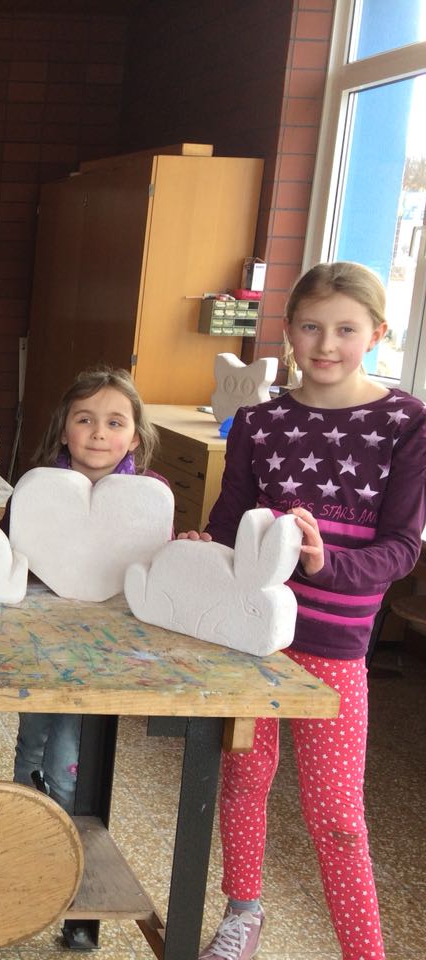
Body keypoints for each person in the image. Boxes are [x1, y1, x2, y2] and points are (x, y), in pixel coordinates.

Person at [183, 263, 426, 960]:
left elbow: (403, 547)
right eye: (312, 327)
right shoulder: (259, 421)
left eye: (346, 329)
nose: (326, 344)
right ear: (288, 331)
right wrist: (203, 548)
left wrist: (326, 565)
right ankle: (243, 912)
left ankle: (364, 951)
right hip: (253, 637)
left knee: (337, 816)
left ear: (377, 334)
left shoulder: (406, 422)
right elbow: (230, 523)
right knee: (243, 779)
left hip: (335, 646)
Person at [9, 366, 164, 952]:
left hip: (103, 661)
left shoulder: (146, 497)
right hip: (38, 649)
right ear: (64, 429)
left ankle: (70, 883)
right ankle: (25, 847)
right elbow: (13, 554)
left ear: (135, 436)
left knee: (71, 759)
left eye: (115, 422)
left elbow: (150, 570)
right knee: (31, 743)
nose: (99, 433)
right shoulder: (39, 489)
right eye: (85, 419)